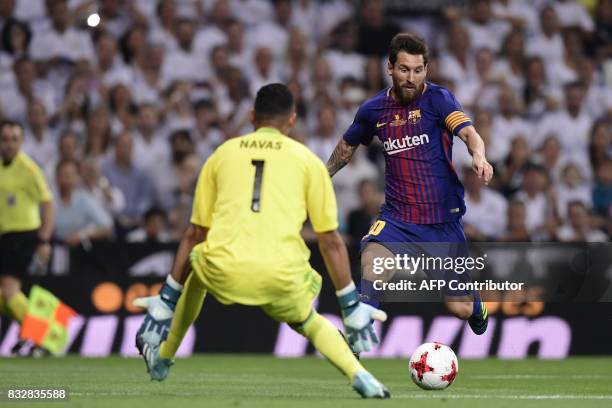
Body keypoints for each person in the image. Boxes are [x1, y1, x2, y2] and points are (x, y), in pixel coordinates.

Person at [133, 84, 390, 398]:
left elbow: (194, 234)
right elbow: (331, 241)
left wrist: (167, 299)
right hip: (280, 275)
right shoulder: (308, 161)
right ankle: (360, 374)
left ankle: (164, 356)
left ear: (251, 115)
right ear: (292, 120)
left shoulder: (221, 154)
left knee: (198, 263)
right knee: (307, 320)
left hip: (224, 270)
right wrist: (350, 306)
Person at [325, 33, 494, 339]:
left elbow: (469, 134)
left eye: (418, 70)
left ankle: (477, 304)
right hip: (398, 217)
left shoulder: (439, 100)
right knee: (373, 258)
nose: (411, 78)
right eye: (404, 69)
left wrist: (479, 157)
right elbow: (347, 148)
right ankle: (360, 330)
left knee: (461, 309)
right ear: (390, 68)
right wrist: (321, 179)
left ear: (426, 70)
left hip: (441, 221)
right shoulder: (373, 110)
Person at [0, 119, 54, 353]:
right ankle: (29, 330)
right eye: (5, 139)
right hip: (4, 236)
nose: (10, 144)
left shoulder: (29, 169)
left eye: (14, 139)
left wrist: (44, 239)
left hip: (23, 235)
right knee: (5, 293)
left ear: (21, 141)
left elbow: (48, 204)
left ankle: (42, 337)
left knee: (9, 289)